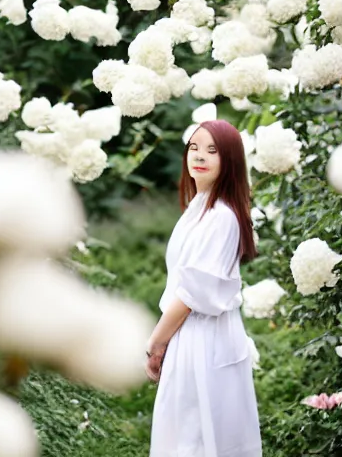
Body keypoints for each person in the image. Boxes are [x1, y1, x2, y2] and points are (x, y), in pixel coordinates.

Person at [146, 119, 262, 457]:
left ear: (230, 161)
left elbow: (191, 293)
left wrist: (156, 342)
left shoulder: (221, 216)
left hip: (203, 337)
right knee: (191, 432)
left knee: (197, 436)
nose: (200, 156)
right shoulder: (201, 208)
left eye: (212, 150)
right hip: (195, 335)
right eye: (194, 147)